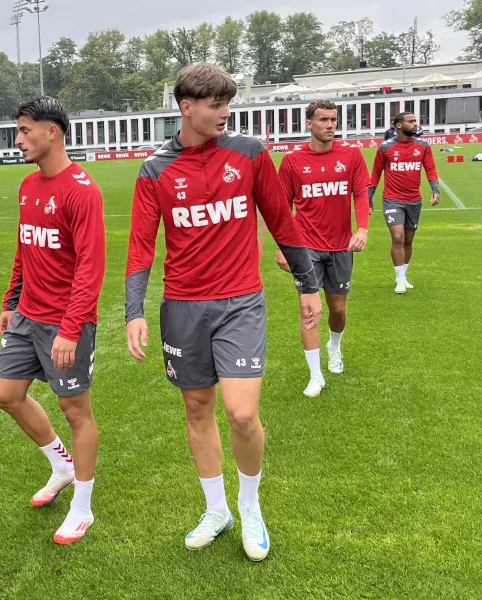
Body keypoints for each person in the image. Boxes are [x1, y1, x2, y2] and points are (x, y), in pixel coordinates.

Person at [124, 63, 322, 562]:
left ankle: (249, 506)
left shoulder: (250, 154)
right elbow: (140, 246)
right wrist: (134, 310)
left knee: (242, 413)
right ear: (186, 106)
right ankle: (217, 510)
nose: (225, 114)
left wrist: (307, 284)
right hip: (183, 308)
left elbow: (280, 218)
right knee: (197, 409)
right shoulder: (155, 170)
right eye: (215, 105)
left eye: (228, 103)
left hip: (241, 303)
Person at [0, 97, 106, 545]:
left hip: (66, 322)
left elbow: (90, 268)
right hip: (27, 315)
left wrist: (70, 328)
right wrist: (11, 300)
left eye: (24, 130)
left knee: (75, 410)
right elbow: (25, 248)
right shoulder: (27, 185)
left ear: (51, 132)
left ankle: (83, 506)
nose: (18, 139)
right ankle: (60, 465)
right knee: (7, 395)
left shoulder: (82, 190)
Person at [276, 100, 370, 397]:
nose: (330, 125)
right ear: (309, 123)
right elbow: (282, 208)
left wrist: (363, 228)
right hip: (305, 249)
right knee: (308, 311)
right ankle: (316, 376)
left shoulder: (352, 156)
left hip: (341, 246)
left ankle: (335, 346)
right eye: (324, 120)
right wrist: (283, 247)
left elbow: (360, 194)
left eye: (333, 120)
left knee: (337, 309)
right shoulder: (292, 161)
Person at [368, 112, 440, 294]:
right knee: (398, 237)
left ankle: (403, 275)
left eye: (416, 121)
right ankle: (400, 280)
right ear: (398, 125)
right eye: (411, 121)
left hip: (414, 200)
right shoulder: (385, 148)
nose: (415, 124)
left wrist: (435, 189)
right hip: (392, 200)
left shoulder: (423, 146)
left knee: (408, 240)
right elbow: (375, 174)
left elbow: (430, 169)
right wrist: (368, 198)